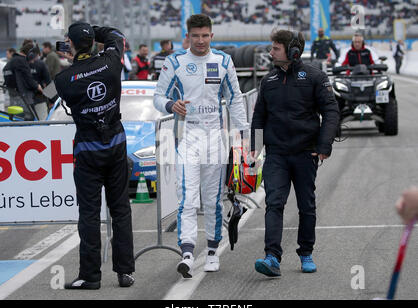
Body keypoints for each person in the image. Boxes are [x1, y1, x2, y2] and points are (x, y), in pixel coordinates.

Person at [153, 14, 249, 278]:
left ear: (212, 35)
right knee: (187, 198)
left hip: (215, 139)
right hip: (187, 137)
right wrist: (171, 105)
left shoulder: (223, 60)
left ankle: (211, 251)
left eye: (205, 35)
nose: (200, 40)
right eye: (195, 36)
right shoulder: (175, 62)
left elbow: (235, 99)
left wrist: (244, 136)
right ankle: (186, 252)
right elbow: (158, 97)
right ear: (188, 36)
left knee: (213, 200)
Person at [250, 29, 340, 277]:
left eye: (275, 48)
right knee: (274, 203)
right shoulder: (268, 81)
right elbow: (258, 118)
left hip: (305, 153)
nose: (270, 53)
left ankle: (306, 253)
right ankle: (272, 257)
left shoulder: (315, 77)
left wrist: (324, 146)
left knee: (306, 206)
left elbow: (331, 111)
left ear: (292, 51)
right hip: (276, 154)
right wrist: (254, 151)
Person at [54, 21, 135, 289]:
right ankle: (125, 272)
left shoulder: (64, 80)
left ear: (71, 45)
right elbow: (116, 35)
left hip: (88, 149)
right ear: (92, 42)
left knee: (89, 213)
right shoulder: (111, 61)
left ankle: (90, 276)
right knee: (120, 209)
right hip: (115, 143)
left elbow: (61, 89)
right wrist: (92, 31)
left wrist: (77, 51)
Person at [2, 42, 43, 120]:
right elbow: (29, 80)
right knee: (32, 124)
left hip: (13, 101)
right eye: (34, 58)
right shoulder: (22, 62)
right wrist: (38, 86)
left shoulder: (10, 63)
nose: (33, 61)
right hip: (24, 102)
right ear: (30, 54)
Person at [28, 45, 50, 119]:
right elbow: (48, 81)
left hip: (25, 99)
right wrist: (52, 100)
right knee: (43, 121)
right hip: (39, 97)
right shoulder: (41, 64)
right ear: (38, 54)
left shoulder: (23, 63)